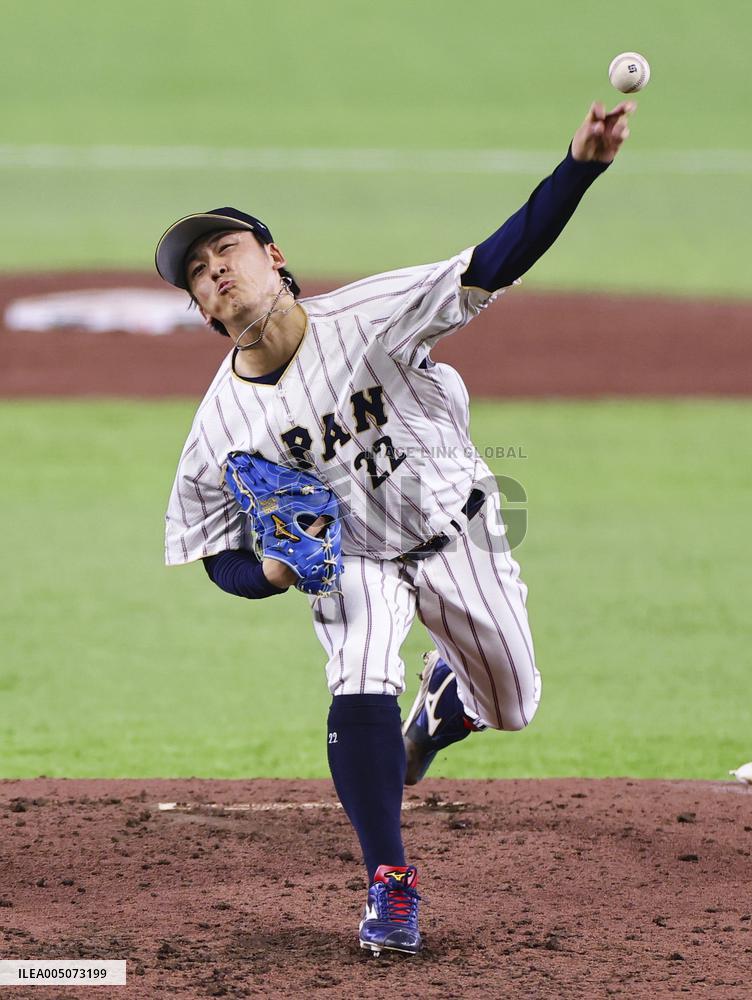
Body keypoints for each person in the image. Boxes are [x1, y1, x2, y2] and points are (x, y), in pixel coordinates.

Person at [156, 101, 635, 957]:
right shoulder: (217, 430)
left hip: (461, 533)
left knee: (514, 703)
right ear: (199, 309)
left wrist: (581, 166)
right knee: (359, 673)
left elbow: (496, 260)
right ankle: (391, 885)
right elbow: (215, 556)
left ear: (274, 258)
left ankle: (446, 706)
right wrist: (273, 571)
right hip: (356, 564)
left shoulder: (372, 315)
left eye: (226, 249)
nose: (215, 270)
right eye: (197, 270)